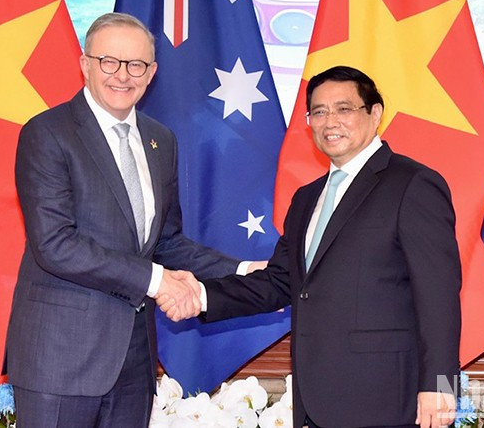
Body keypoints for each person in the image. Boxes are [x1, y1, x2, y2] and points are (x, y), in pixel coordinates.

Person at [160, 66, 462, 428]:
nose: (330, 121)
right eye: (318, 111)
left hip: (388, 399)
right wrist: (201, 296)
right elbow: (280, 283)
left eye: (344, 109)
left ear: (376, 113)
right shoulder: (306, 199)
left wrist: (442, 387)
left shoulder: (414, 184)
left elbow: (440, 295)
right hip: (316, 400)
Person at [4, 12, 259, 427]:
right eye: (109, 61)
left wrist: (245, 271)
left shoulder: (161, 141)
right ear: (85, 64)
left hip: (134, 361)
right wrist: (158, 282)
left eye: (136, 65)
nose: (123, 75)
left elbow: (167, 242)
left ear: (152, 72)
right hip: (60, 358)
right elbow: (55, 245)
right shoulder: (47, 133)